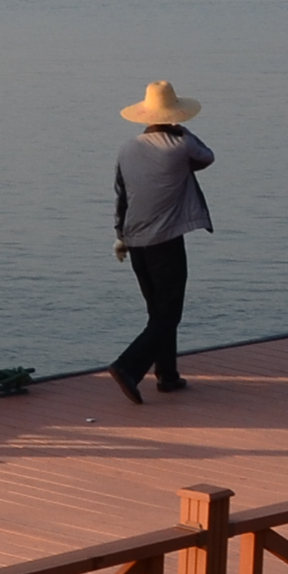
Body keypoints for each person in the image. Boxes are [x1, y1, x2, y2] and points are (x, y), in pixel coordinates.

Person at [107, 81, 215, 406]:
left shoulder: (127, 148)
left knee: (157, 312)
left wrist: (120, 237)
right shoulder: (180, 145)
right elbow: (207, 157)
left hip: (135, 241)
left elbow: (121, 196)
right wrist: (184, 132)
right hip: (165, 243)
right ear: (175, 114)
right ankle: (128, 366)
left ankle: (167, 376)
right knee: (168, 315)